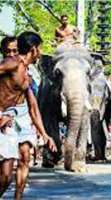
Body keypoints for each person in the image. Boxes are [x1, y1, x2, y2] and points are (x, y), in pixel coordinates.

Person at [0, 31, 57, 199]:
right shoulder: (12, 63)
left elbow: (33, 107)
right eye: (39, 48)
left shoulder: (27, 73)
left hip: (15, 119)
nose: (41, 51)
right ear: (33, 49)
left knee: (19, 162)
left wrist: (45, 134)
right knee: (5, 175)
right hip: (4, 118)